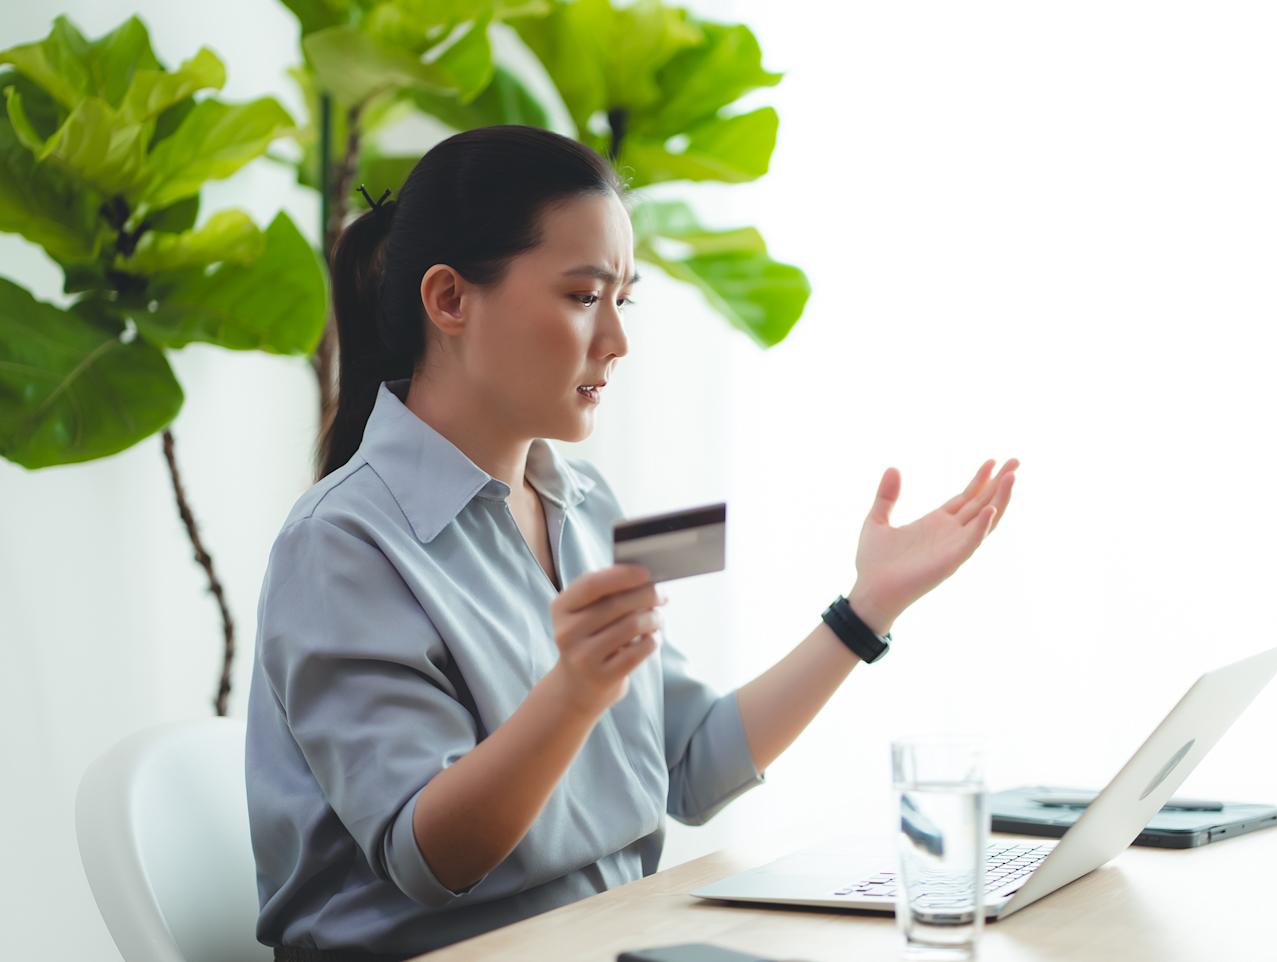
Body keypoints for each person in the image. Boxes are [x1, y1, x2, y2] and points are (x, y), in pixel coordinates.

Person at [244, 125, 1018, 962]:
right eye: (583, 297)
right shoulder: (339, 544)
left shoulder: (582, 504)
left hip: (606, 942)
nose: (617, 341)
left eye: (625, 299)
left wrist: (867, 608)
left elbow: (689, 763)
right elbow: (433, 859)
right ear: (450, 300)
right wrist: (576, 691)